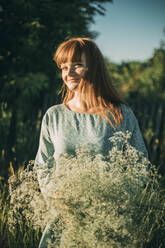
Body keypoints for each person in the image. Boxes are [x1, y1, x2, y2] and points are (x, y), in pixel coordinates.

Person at [34, 37, 148, 247]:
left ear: (94, 68)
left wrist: (113, 200)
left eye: (77, 65)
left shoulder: (121, 115)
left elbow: (140, 166)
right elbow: (42, 165)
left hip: (107, 222)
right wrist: (59, 201)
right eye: (64, 67)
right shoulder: (54, 116)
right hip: (62, 221)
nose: (68, 74)